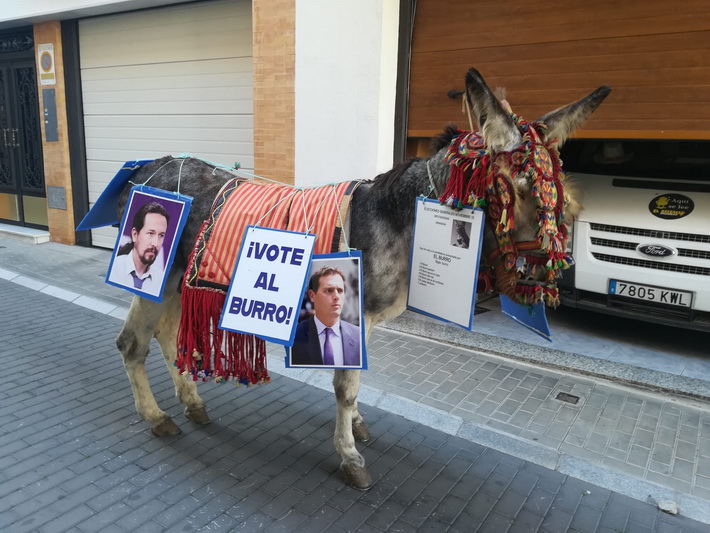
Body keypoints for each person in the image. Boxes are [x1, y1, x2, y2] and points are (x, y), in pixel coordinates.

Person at [291, 266, 361, 366]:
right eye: (329, 290)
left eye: (340, 290)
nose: (337, 296)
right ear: (312, 296)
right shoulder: (295, 335)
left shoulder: (357, 335)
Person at [108, 201, 169, 296]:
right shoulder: (116, 268)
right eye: (150, 233)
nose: (155, 243)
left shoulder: (160, 278)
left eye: (161, 235)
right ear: (135, 235)